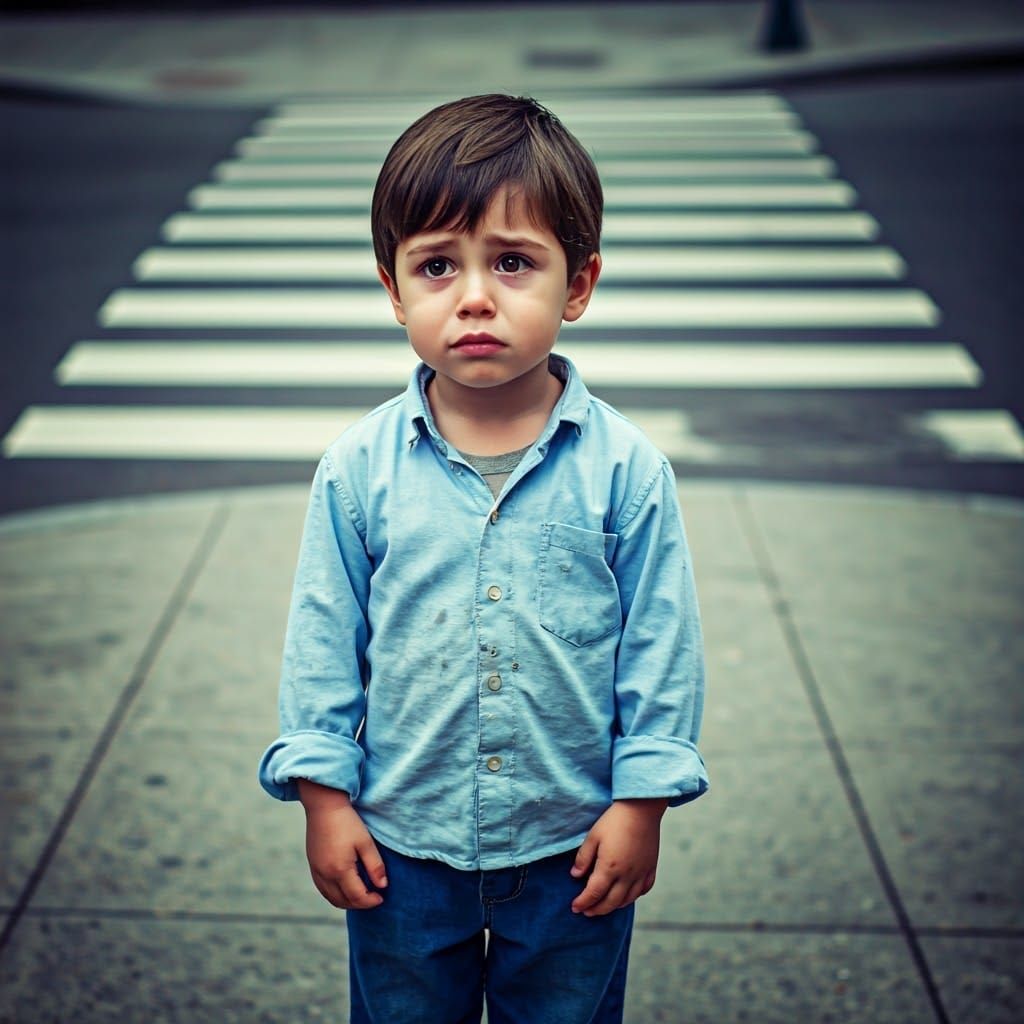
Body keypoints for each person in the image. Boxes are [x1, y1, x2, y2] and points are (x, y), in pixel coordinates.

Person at [258, 93, 708, 1024]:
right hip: (402, 845)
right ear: (393, 290)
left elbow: (661, 643)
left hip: (570, 845)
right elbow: (322, 640)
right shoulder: (358, 470)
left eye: (513, 262)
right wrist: (323, 796)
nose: (473, 296)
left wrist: (643, 803)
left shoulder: (627, 470)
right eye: (436, 265)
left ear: (577, 285)